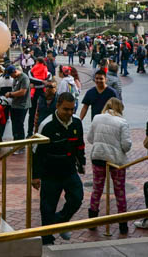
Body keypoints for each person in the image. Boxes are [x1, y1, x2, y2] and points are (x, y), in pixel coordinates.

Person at [32, 92, 86, 244]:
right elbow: (36, 153)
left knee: (77, 198)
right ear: (58, 106)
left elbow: (80, 144)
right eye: (66, 109)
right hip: (50, 174)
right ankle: (47, 239)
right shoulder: (46, 125)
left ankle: (59, 223)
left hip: (69, 170)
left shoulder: (76, 122)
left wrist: (82, 162)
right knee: (47, 207)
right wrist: (35, 176)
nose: (69, 113)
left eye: (72, 109)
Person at [86, 97, 132, 234]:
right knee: (120, 192)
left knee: (97, 189)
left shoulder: (97, 118)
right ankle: (123, 225)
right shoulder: (122, 122)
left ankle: (92, 221)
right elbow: (126, 145)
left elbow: (90, 138)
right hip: (116, 161)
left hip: (98, 157)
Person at [4, 66, 31, 147]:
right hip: (14, 105)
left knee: (19, 125)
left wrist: (10, 94)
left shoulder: (24, 78)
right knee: (14, 125)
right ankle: (15, 142)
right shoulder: (15, 78)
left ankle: (20, 145)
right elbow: (15, 90)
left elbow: (22, 92)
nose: (11, 77)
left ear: (14, 72)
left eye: (11, 75)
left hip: (22, 106)